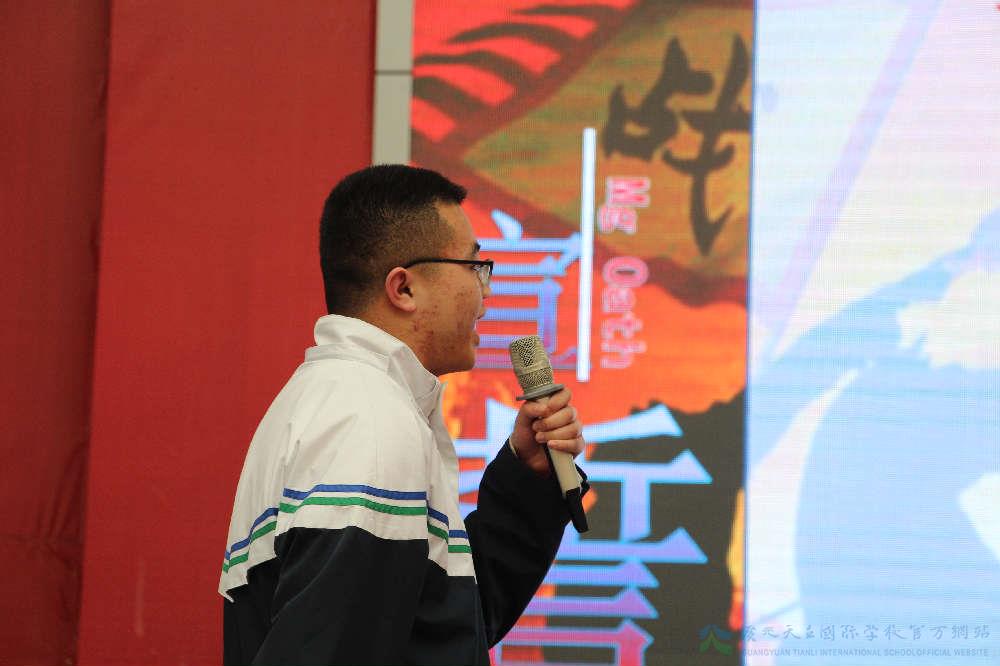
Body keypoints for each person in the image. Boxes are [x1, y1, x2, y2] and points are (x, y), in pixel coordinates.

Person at [219, 164, 587, 665]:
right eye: (474, 266)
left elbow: (444, 629)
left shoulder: (349, 402)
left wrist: (527, 479)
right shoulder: (367, 420)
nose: (486, 293)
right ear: (404, 289)